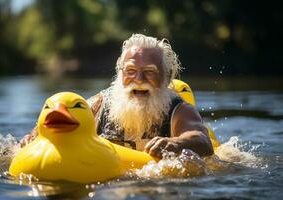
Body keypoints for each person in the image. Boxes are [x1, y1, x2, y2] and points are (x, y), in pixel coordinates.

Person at [20, 34, 213, 158]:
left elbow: (202, 141)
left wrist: (175, 143)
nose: (138, 79)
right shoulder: (99, 103)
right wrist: (33, 137)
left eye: (149, 72)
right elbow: (66, 120)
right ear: (120, 74)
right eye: (130, 71)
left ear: (167, 77)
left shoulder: (179, 110)